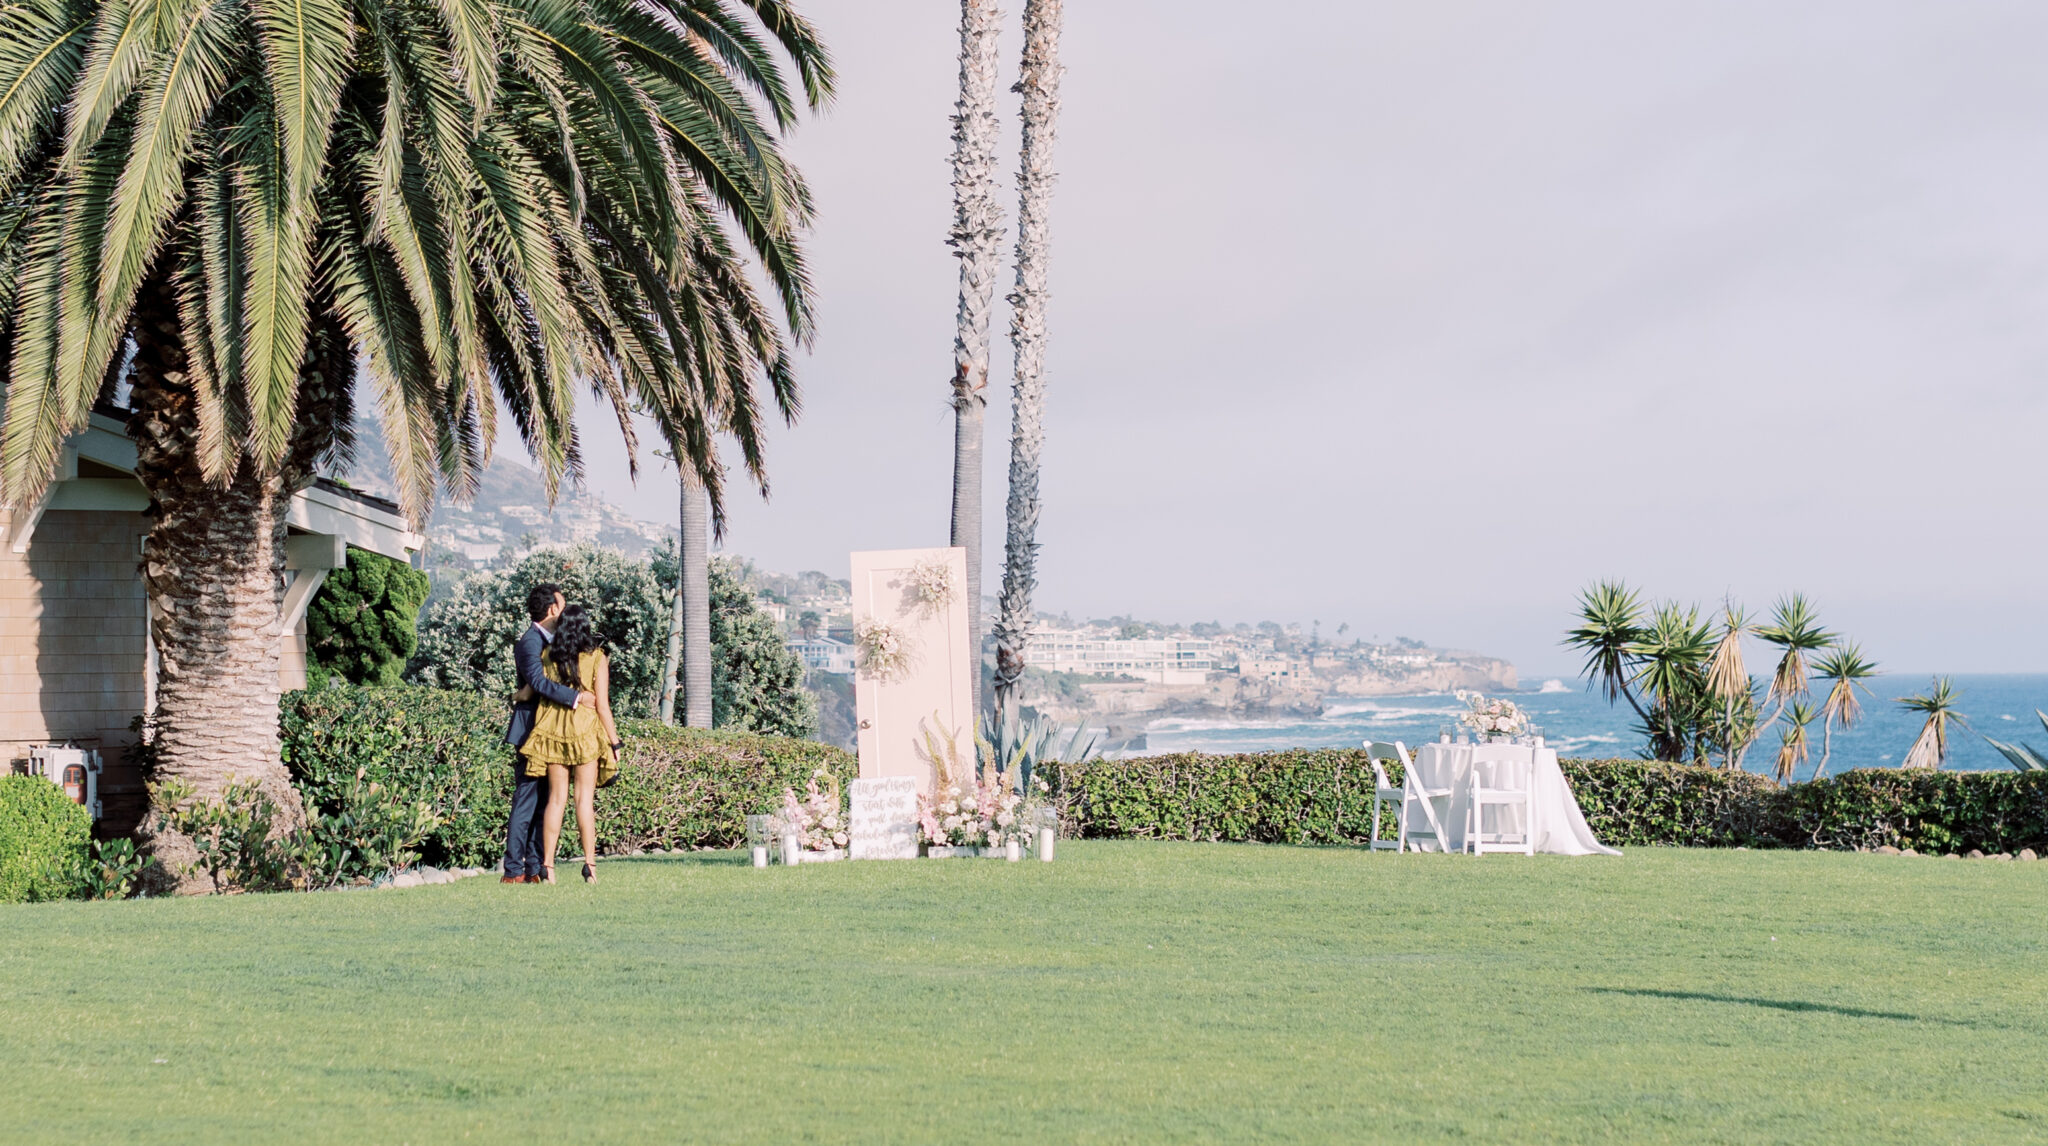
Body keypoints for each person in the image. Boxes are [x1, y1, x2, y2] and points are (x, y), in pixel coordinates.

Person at [518, 603, 622, 884]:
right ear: (585, 627)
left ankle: (548, 868)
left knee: (555, 800)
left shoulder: (549, 654)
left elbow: (535, 689)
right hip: (585, 732)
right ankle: (590, 866)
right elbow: (603, 707)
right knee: (583, 801)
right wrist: (615, 743)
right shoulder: (597, 658)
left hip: (553, 730)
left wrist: (514, 697)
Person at [501, 584, 595, 884]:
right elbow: (538, 684)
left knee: (546, 802)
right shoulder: (529, 643)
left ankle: (534, 868)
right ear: (552, 609)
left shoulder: (554, 643)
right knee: (526, 800)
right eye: (563, 606)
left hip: (551, 734)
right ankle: (513, 870)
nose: (565, 612)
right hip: (532, 733)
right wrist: (576, 697)